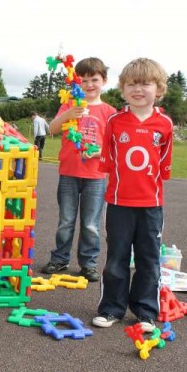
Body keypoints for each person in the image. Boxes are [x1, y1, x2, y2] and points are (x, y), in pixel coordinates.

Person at [92, 58, 173, 332]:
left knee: (149, 260)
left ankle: (146, 312)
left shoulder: (165, 124)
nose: (138, 89)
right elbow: (108, 160)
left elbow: (163, 164)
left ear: (158, 89)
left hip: (151, 205)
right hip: (118, 203)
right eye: (132, 84)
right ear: (123, 89)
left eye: (145, 84)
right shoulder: (115, 122)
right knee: (116, 257)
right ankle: (111, 308)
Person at [40, 57, 117, 282]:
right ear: (76, 83)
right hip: (68, 173)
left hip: (96, 176)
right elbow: (52, 129)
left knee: (91, 224)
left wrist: (97, 153)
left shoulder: (110, 111)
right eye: (83, 80)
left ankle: (88, 263)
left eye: (94, 79)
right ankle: (60, 258)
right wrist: (67, 115)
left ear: (104, 81)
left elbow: (114, 147)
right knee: (66, 220)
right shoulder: (69, 104)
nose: (89, 85)